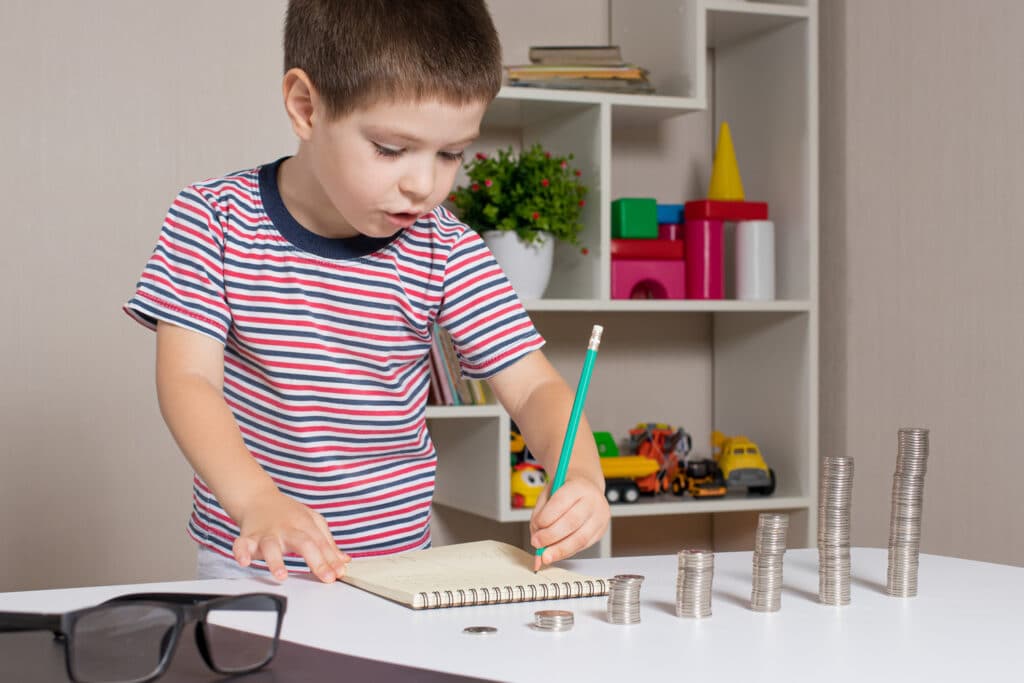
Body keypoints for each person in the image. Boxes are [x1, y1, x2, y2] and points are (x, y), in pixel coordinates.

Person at [124, 0, 610, 583]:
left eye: (451, 154)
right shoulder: (213, 219)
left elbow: (532, 387)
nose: (423, 184)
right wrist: (255, 499)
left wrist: (582, 475)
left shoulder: (446, 248)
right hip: (256, 557)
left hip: (397, 566)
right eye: (390, 148)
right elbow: (189, 380)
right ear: (306, 107)